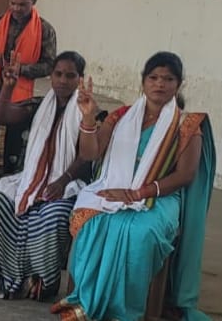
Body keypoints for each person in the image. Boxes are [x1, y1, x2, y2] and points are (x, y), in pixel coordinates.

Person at [52, 52, 215, 321]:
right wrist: (89, 119)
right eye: (153, 77)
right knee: (91, 221)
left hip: (160, 197)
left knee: (140, 232)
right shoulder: (121, 116)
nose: (159, 84)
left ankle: (125, 311)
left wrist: (137, 193)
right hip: (114, 187)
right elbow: (91, 153)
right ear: (143, 81)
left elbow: (185, 175)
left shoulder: (187, 125)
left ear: (179, 84)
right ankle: (86, 300)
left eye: (168, 79)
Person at [0, 51, 91, 300]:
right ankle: (8, 275)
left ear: (80, 79)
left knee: (53, 215)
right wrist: (8, 87)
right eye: (58, 74)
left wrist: (62, 181)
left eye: (70, 76)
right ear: (51, 76)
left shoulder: (88, 110)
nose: (63, 80)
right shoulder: (38, 105)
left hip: (68, 182)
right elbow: (2, 116)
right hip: (31, 178)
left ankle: (43, 282)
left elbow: (87, 156)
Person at [0, 0, 56, 101]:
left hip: (20, 91)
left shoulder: (44, 30)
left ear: (34, 0)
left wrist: (21, 69)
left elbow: (50, 65)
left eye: (22, 5)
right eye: (13, 3)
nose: (16, 8)